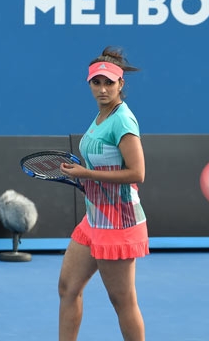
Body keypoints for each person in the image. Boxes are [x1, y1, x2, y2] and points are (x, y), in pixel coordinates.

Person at [57, 46, 148, 341]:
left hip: (118, 222)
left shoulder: (122, 120)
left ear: (121, 84)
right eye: (96, 83)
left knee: (122, 302)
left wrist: (87, 174)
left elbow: (137, 173)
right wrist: (82, 173)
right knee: (68, 288)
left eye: (109, 82)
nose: (102, 89)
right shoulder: (100, 117)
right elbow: (104, 165)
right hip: (94, 218)